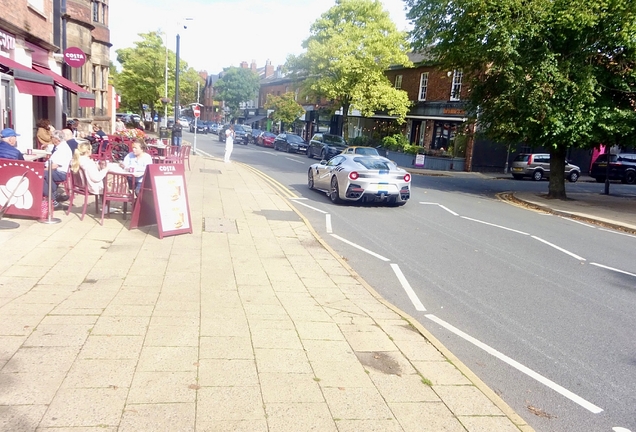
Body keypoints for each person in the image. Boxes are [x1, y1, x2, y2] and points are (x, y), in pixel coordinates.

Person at [42, 130, 73, 206]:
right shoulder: (60, 147)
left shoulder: (63, 149)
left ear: (57, 139)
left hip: (61, 173)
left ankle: (53, 200)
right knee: (43, 174)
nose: (51, 139)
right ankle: (55, 195)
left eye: (52, 137)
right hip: (56, 171)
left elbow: (54, 166)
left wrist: (41, 170)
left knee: (41, 175)